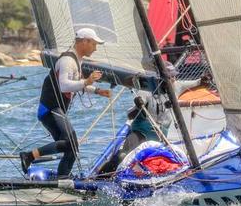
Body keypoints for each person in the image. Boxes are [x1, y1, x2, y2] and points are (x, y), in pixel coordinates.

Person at [19, 27, 112, 178]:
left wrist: (97, 90)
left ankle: (61, 181)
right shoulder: (67, 60)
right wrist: (87, 80)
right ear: (84, 42)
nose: (95, 48)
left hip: (56, 110)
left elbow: (75, 82)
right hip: (50, 109)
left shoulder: (76, 60)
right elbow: (64, 85)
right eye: (94, 44)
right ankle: (28, 156)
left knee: (71, 149)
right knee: (71, 143)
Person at [98, 95, 163, 175]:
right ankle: (101, 176)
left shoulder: (174, 90)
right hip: (140, 133)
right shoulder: (145, 92)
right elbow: (129, 115)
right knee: (122, 156)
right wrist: (139, 107)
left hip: (158, 137)